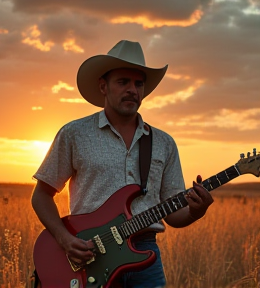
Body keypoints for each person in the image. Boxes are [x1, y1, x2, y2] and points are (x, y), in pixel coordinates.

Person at [31, 40, 214, 288]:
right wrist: (65, 240)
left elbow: (173, 214)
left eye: (138, 83)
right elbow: (41, 195)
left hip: (145, 255)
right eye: (123, 82)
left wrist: (195, 211)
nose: (132, 89)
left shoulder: (163, 143)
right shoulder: (75, 134)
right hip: (89, 253)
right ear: (103, 86)